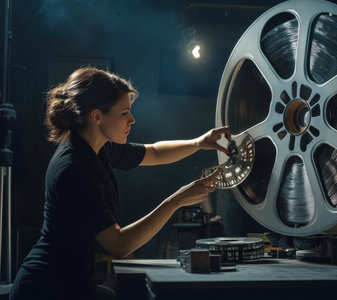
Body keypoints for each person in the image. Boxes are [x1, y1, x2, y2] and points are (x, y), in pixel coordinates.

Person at [9, 67, 231, 300]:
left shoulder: (96, 147)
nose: (132, 120)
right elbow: (120, 244)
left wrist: (199, 142)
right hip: (45, 288)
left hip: (69, 281)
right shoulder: (73, 169)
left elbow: (153, 153)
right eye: (124, 113)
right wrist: (176, 201)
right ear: (97, 116)